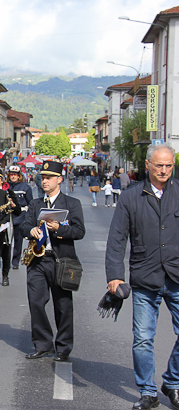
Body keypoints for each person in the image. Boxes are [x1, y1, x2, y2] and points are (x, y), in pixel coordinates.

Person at [105, 144, 179, 410]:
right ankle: (148, 392)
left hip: (176, 276)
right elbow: (117, 239)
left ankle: (172, 381)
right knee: (143, 339)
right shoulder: (130, 197)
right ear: (148, 165)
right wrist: (115, 276)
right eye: (159, 165)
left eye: (169, 165)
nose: (164, 170)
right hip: (145, 277)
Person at [20, 161, 85, 362]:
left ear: (59, 179)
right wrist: (31, 230)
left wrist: (59, 228)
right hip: (38, 260)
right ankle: (42, 344)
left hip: (61, 260)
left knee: (63, 305)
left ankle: (63, 347)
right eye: (43, 177)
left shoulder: (72, 203)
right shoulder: (35, 204)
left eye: (49, 177)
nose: (45, 181)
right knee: (36, 302)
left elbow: (79, 231)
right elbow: (24, 226)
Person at [7, 165, 33, 270]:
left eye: (15, 175)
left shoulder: (25, 187)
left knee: (18, 241)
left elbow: (30, 203)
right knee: (7, 242)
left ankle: (15, 261)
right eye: (11, 175)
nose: (13, 177)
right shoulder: (6, 186)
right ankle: (6, 260)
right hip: (9, 217)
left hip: (20, 217)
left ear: (19, 176)